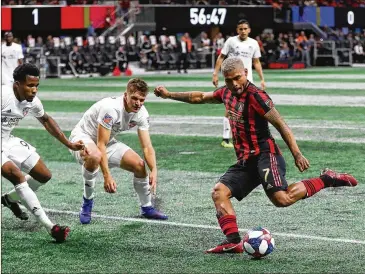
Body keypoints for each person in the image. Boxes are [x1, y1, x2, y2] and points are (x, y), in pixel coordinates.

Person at [154, 56, 358, 254]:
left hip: (265, 155)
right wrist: (169, 94)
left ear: (245, 73)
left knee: (282, 199)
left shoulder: (257, 96)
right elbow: (198, 97)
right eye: (229, 80)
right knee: (219, 192)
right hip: (245, 160)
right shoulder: (225, 93)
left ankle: (327, 178)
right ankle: (233, 242)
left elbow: (280, 124)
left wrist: (297, 153)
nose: (234, 84)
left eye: (237, 78)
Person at [1, 63, 84, 242]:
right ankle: (51, 227)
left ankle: (9, 199)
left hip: (7, 140)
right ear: (17, 84)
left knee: (43, 175)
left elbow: (46, 120)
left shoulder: (33, 102)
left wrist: (69, 143)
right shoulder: (3, 95)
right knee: (17, 176)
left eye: (37, 85)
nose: (34, 90)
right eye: (30, 85)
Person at [69, 78, 168, 225]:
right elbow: (100, 144)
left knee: (140, 165)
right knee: (95, 156)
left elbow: (147, 146)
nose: (138, 103)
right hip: (82, 138)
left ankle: (147, 208)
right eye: (134, 98)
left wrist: (154, 169)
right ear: (125, 95)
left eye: (142, 99)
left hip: (107, 141)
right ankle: (87, 202)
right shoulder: (111, 109)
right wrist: (107, 176)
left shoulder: (141, 113)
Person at [212, 19, 266, 148]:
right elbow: (221, 57)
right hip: (233, 82)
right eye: (240, 29)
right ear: (237, 30)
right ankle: (225, 138)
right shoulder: (231, 41)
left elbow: (256, 62)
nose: (243, 31)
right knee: (231, 108)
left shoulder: (253, 43)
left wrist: (262, 78)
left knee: (250, 109)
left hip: (248, 82)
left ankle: (247, 136)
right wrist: (215, 73)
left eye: (245, 29)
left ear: (249, 30)